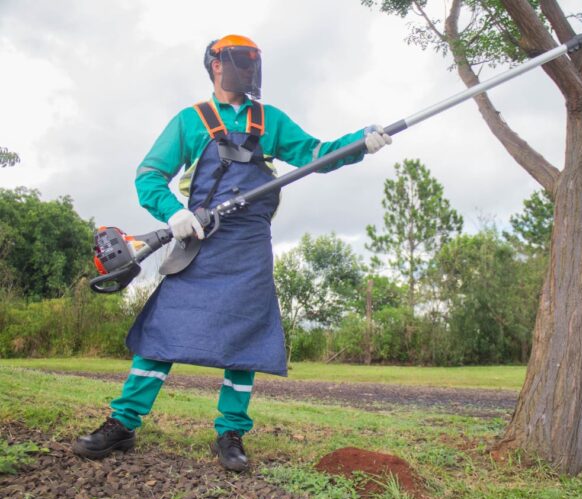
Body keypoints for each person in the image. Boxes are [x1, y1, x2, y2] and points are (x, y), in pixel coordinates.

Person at [73, 34, 391, 471]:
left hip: (248, 244)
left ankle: (231, 432)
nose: (249, 69)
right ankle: (123, 423)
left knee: (247, 338)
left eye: (254, 61)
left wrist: (359, 143)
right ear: (216, 65)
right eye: (241, 60)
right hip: (199, 239)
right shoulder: (191, 120)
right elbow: (149, 175)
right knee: (163, 330)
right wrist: (174, 214)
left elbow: (316, 154)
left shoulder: (269, 119)